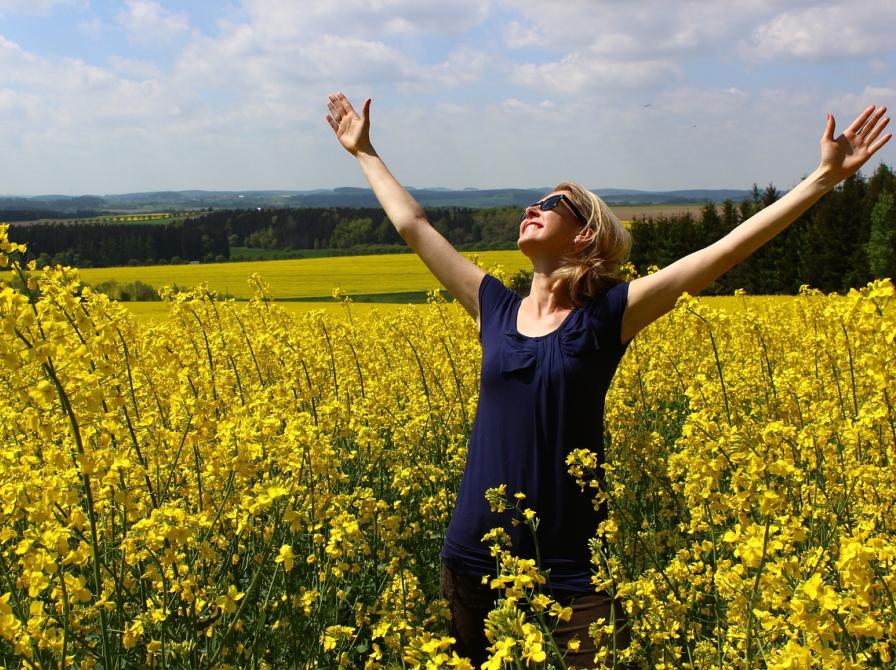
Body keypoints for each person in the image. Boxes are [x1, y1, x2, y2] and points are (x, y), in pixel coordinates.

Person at [326, 91, 891, 666]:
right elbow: (413, 223)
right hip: (474, 560)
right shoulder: (492, 308)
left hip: (572, 572)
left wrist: (821, 180)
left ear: (585, 236)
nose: (533, 206)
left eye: (554, 203)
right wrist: (365, 151)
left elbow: (721, 252)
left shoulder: (606, 317)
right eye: (535, 200)